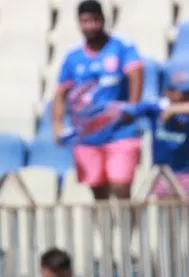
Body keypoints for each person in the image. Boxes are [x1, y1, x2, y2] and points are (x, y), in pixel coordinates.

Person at [53, 0, 143, 201]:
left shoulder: (121, 47)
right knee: (98, 193)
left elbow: (136, 72)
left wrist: (132, 107)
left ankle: (126, 232)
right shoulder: (73, 57)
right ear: (79, 23)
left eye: (95, 20)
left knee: (120, 186)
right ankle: (107, 232)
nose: (91, 26)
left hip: (120, 130)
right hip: (87, 134)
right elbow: (60, 93)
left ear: (103, 20)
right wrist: (57, 125)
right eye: (85, 21)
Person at [137, 71, 189, 199]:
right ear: (168, 92)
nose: (187, 96)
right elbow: (136, 109)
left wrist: (172, 110)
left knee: (187, 211)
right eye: (182, 93)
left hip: (185, 172)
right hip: (161, 173)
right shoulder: (157, 108)